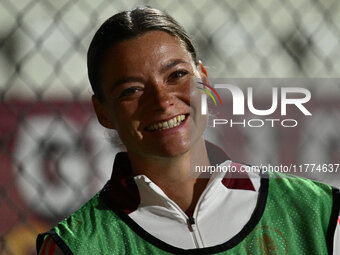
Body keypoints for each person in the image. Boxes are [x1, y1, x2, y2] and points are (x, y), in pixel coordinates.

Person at [36, 6, 340, 254]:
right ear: (103, 112)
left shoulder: (319, 211)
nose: (162, 101)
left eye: (177, 74)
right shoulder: (75, 247)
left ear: (204, 79)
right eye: (131, 90)